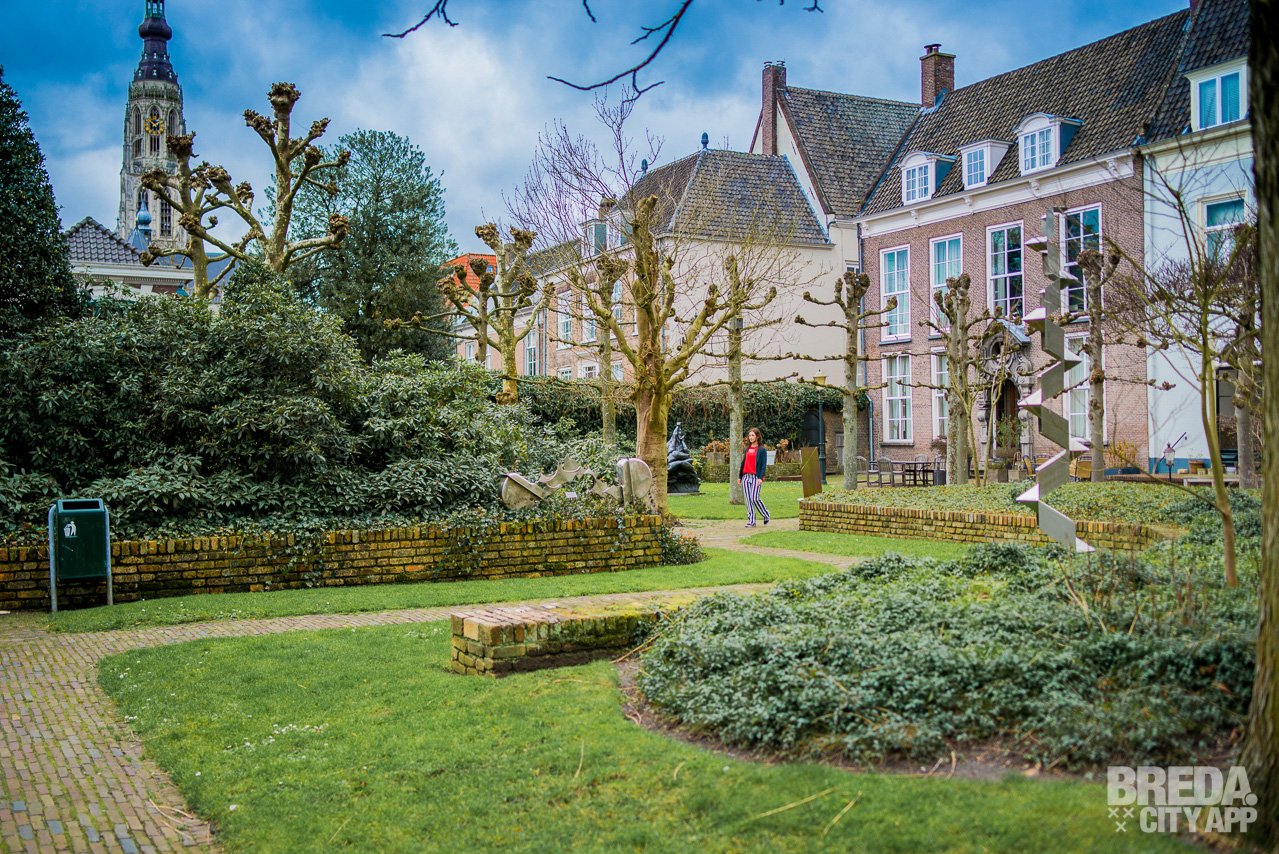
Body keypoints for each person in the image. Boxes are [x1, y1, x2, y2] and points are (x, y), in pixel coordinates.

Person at [738, 427, 770, 527]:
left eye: (753, 435)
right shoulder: (747, 449)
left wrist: (761, 477)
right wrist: (740, 476)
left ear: (757, 436)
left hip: (756, 477)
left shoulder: (762, 450)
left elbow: (763, 465)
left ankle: (766, 514)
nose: (750, 437)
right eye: (749, 435)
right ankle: (751, 521)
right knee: (748, 500)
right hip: (746, 477)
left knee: (755, 498)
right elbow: (743, 463)